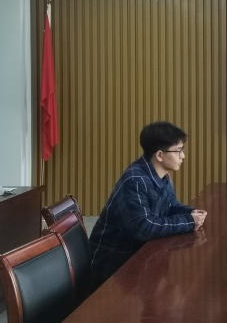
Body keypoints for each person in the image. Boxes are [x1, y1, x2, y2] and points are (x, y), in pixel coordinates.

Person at [89, 121, 207, 291]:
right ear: (160, 155)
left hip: (139, 258)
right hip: (114, 269)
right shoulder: (135, 181)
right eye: (178, 150)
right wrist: (189, 221)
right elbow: (143, 228)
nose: (183, 156)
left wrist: (192, 212)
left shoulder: (162, 175)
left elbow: (170, 205)